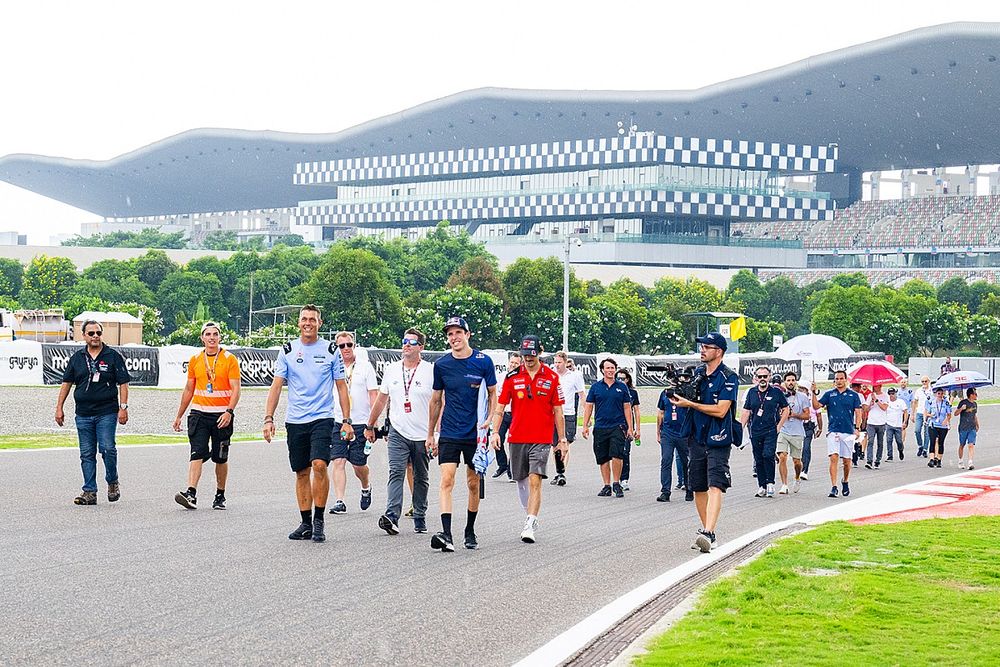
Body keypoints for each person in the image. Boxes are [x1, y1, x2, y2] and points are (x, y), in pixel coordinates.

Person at [263, 305, 353, 544]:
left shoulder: (331, 350)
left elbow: (341, 387)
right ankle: (305, 522)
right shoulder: (288, 350)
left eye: (312, 319)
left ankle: (319, 520)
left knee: (320, 465)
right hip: (296, 420)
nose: (308, 323)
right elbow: (277, 385)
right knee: (302, 471)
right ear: (299, 323)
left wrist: (346, 420)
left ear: (319, 324)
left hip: (322, 418)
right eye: (304, 319)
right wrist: (268, 418)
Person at [426, 316, 498, 552]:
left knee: (473, 483)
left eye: (458, 333)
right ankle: (446, 534)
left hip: (475, 434)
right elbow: (436, 400)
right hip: (449, 431)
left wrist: (489, 420)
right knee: (446, 480)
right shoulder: (442, 365)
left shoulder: (483, 361)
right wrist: (430, 433)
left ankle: (469, 529)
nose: (454, 338)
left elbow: (493, 394)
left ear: (468, 334)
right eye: (450, 334)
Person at [491, 335, 567, 543]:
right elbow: (500, 407)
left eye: (532, 355)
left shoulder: (551, 377)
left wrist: (562, 439)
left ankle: (530, 522)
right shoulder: (512, 377)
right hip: (517, 436)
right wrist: (495, 431)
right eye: (525, 355)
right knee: (521, 480)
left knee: (535, 479)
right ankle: (529, 513)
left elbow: (558, 411)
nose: (528, 359)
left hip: (541, 438)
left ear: (540, 352)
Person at [668, 332, 738, 553]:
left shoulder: (729, 377)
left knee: (715, 483)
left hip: (718, 436)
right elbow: (687, 396)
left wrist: (691, 403)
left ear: (719, 351)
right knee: (697, 485)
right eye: (702, 346)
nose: (702, 350)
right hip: (696, 435)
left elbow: (721, 410)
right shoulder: (698, 373)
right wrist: (679, 392)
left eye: (707, 347)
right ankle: (708, 531)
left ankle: (708, 531)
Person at [55, 319, 131, 505]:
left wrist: (123, 407)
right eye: (91, 333)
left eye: (98, 333)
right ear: (84, 336)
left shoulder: (113, 356)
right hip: (83, 413)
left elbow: (123, 383)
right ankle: (89, 491)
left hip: (107, 412)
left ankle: (112, 481)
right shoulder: (77, 358)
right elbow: (66, 383)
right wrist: (59, 407)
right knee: (87, 453)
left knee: (107, 448)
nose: (95, 336)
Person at [367, 328, 434, 535]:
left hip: (423, 433)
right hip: (398, 431)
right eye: (404, 341)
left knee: (421, 476)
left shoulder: (431, 371)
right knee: (396, 471)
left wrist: (435, 434)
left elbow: (440, 403)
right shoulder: (392, 370)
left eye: (412, 342)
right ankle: (391, 516)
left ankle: (420, 515)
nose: (406, 345)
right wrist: (370, 425)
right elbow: (381, 399)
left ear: (421, 347)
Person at [172, 322, 241, 510]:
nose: (212, 337)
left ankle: (220, 495)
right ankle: (191, 493)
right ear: (202, 337)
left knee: (220, 458)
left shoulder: (229, 359)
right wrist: (179, 415)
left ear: (220, 337)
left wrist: (229, 411)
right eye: (208, 334)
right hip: (199, 414)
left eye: (215, 334)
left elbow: (236, 389)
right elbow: (189, 388)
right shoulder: (195, 359)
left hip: (221, 416)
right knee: (196, 451)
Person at [328, 331, 378, 515]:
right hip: (338, 421)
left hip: (360, 422)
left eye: (349, 345)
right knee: (338, 460)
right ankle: (339, 500)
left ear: (354, 345)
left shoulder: (365, 367)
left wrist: (372, 422)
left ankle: (366, 486)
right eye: (342, 346)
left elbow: (373, 394)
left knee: (358, 464)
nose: (346, 349)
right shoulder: (333, 367)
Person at [581, 358, 635, 499]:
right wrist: (585, 425)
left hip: (618, 426)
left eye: (612, 368)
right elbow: (589, 406)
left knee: (617, 454)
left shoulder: (622, 387)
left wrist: (630, 427)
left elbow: (627, 407)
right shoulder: (595, 387)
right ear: (602, 370)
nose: (610, 370)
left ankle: (616, 483)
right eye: (608, 368)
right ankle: (606, 485)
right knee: (603, 457)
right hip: (600, 426)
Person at [812, 370, 862, 499]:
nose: (839, 381)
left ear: (846, 380)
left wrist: (857, 428)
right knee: (834, 457)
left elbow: (858, 412)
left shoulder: (853, 395)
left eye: (841, 378)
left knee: (846, 461)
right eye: (836, 379)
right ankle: (833, 486)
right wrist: (813, 393)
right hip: (833, 430)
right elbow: (817, 406)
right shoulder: (829, 394)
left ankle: (845, 481)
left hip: (848, 431)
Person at [740, 366, 789, 499]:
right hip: (755, 430)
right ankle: (761, 485)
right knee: (759, 458)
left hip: (770, 430)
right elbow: (746, 411)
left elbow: (786, 409)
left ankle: (770, 482)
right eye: (760, 376)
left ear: (769, 377)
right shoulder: (751, 392)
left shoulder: (776, 392)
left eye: (765, 376)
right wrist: (741, 427)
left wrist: (779, 426)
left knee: (768, 455)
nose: (762, 379)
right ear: (756, 378)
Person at [656, 372, 692, 502]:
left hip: (683, 433)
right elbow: (660, 413)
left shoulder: (686, 393)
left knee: (685, 461)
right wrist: (658, 432)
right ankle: (665, 491)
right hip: (667, 433)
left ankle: (689, 488)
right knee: (666, 460)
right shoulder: (664, 394)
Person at [551, 351, 585, 487]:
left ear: (565, 362)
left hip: (568, 413)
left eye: (559, 362)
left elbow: (582, 395)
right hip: (552, 414)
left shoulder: (575, 376)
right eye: (555, 362)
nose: (557, 365)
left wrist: (587, 415)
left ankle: (562, 472)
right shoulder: (551, 375)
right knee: (555, 446)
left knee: (565, 443)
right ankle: (559, 471)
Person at [777, 372, 810, 494]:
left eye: (793, 380)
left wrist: (795, 415)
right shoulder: (780, 396)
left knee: (797, 461)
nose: (790, 382)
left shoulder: (802, 397)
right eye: (788, 380)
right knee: (782, 457)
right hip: (784, 430)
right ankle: (784, 484)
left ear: (796, 382)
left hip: (797, 432)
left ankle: (797, 478)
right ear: (784, 382)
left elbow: (807, 415)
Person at [491, 353, 521, 481]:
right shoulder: (501, 377)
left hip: (516, 415)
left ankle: (512, 470)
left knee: (514, 444)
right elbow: (496, 397)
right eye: (512, 362)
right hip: (502, 414)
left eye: (516, 363)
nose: (513, 365)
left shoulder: (521, 378)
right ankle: (502, 465)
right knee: (497, 440)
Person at [615, 368, 641, 491]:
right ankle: (615, 478)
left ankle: (624, 479)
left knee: (625, 452)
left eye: (623, 379)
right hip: (614, 424)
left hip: (627, 426)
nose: (620, 380)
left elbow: (636, 411)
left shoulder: (632, 393)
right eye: (618, 378)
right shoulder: (613, 390)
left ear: (628, 379)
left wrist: (637, 429)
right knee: (614, 453)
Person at [924, 387, 952, 469]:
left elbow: (949, 414)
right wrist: (930, 415)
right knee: (933, 441)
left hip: (943, 426)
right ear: (936, 394)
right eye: (938, 393)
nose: (940, 395)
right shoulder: (931, 402)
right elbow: (926, 413)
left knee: (940, 442)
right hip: (933, 424)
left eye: (941, 393)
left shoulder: (946, 403)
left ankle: (939, 459)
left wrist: (946, 420)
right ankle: (932, 459)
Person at [864, 385, 889, 469]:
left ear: (880, 386)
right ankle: (869, 460)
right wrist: (870, 404)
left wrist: (877, 400)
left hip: (881, 423)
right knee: (870, 441)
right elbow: (866, 409)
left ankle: (877, 460)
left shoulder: (885, 396)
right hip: (871, 423)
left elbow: (884, 408)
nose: (875, 387)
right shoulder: (870, 396)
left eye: (876, 386)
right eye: (874, 386)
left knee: (880, 443)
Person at [955, 388, 979, 470]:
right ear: (971, 395)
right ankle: (960, 461)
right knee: (962, 445)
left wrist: (977, 425)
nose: (976, 395)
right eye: (975, 394)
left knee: (971, 444)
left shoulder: (975, 404)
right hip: (963, 427)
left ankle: (970, 462)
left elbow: (974, 415)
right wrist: (961, 408)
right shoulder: (963, 402)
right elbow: (955, 413)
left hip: (972, 427)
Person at [884, 387, 908, 462]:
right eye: (890, 394)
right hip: (889, 424)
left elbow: (905, 412)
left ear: (895, 393)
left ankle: (900, 450)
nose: (891, 395)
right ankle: (890, 456)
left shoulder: (900, 402)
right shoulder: (887, 402)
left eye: (893, 394)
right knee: (889, 440)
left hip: (898, 425)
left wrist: (904, 422)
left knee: (899, 441)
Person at [912, 376, 933, 457]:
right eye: (922, 381)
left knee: (927, 433)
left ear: (928, 381)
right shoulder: (919, 390)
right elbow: (915, 401)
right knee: (917, 430)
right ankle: (920, 445)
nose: (924, 383)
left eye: (925, 381)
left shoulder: (931, 390)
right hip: (919, 412)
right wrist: (913, 414)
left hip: (928, 413)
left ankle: (925, 449)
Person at [896, 380, 914, 446]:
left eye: (904, 382)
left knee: (903, 426)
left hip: (906, 412)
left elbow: (912, 402)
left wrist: (912, 412)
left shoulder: (910, 392)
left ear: (906, 383)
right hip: (898, 412)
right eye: (902, 382)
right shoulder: (897, 391)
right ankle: (898, 439)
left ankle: (901, 442)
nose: (903, 383)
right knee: (897, 427)